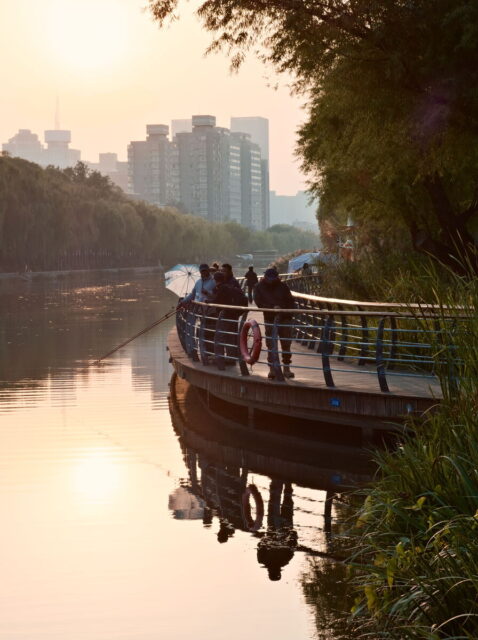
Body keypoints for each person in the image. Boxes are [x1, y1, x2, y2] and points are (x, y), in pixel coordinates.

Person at [254, 268, 296, 379]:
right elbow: (259, 303)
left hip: (285, 318)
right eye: (269, 278)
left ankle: (286, 369)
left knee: (286, 344)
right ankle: (272, 369)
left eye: (274, 277)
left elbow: (291, 301)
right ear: (265, 277)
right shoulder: (259, 287)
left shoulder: (283, 286)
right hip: (269, 318)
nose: (272, 280)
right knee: (271, 345)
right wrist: (272, 308)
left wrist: (283, 310)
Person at [209, 271, 247, 363]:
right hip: (233, 315)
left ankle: (221, 358)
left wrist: (209, 302)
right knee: (230, 336)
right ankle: (231, 357)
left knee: (221, 336)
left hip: (226, 315)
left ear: (215, 280)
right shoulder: (228, 287)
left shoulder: (222, 288)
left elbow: (218, 301)